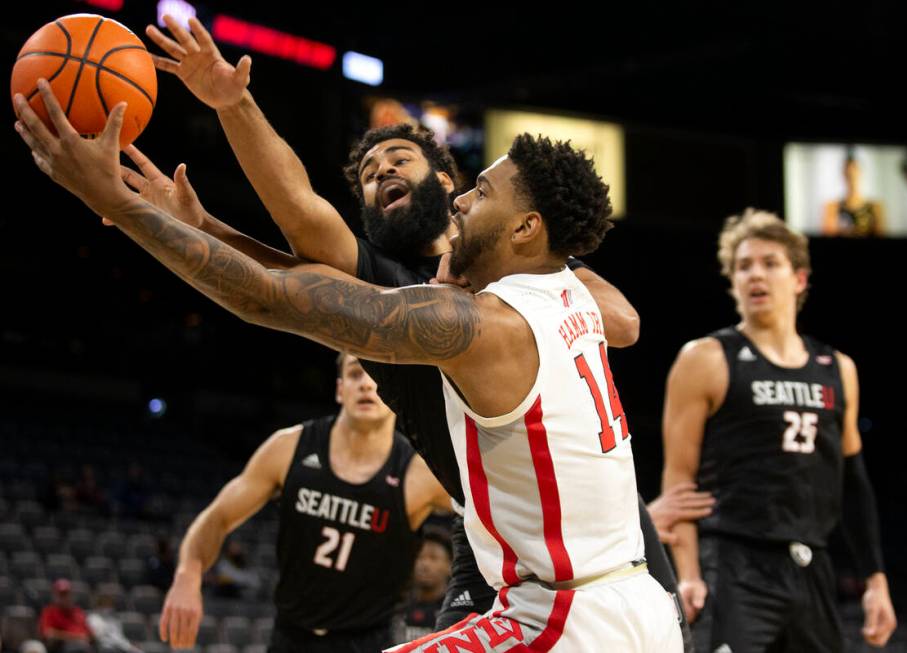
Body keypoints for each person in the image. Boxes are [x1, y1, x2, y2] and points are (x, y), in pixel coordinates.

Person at [13, 83, 683, 650]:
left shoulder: (485, 324)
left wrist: (121, 205)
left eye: (480, 192)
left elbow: (271, 298)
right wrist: (207, 227)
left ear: (526, 229)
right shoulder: (570, 294)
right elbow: (304, 269)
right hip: (622, 599)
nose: (461, 204)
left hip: (569, 616)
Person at [661, 208, 897, 652]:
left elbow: (854, 483)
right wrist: (689, 573)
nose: (756, 275)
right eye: (743, 266)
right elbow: (678, 480)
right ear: (731, 282)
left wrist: (875, 579)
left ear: (800, 279)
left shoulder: (837, 368)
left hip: (812, 566)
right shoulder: (706, 358)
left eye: (770, 263)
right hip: (732, 563)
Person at [158, 354, 451, 651]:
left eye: (376, 376)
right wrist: (188, 574)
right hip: (290, 634)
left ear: (394, 389)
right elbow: (217, 517)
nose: (366, 385)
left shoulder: (420, 474)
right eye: (355, 374)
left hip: (367, 641)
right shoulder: (288, 448)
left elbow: (486, 515)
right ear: (339, 389)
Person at [401, 527, 453, 641]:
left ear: (450, 566)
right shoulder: (396, 607)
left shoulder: (456, 611)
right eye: (419, 556)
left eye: (433, 557)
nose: (424, 564)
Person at [821, 149, 886, 237]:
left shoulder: (875, 207)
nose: (851, 176)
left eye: (854, 170)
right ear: (843, 174)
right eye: (848, 172)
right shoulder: (832, 207)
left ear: (860, 172)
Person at [37, 579, 93, 653]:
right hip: (62, 647)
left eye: (67, 594)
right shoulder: (49, 611)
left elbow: (89, 634)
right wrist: (74, 637)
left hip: (83, 647)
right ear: (55, 595)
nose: (65, 597)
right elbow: (48, 633)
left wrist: (85, 637)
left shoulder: (78, 611)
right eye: (61, 594)